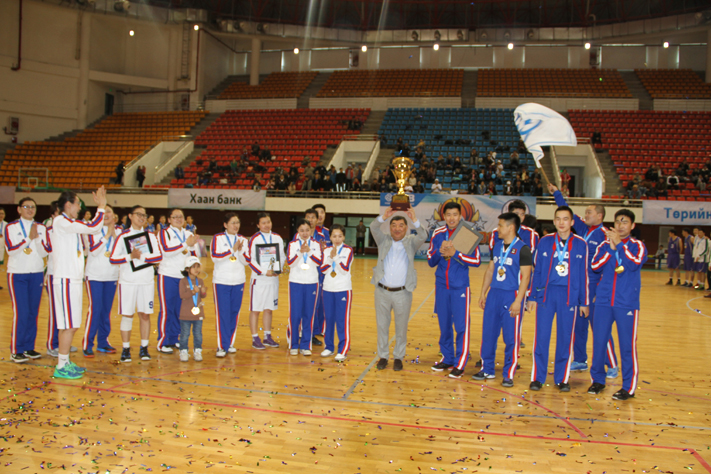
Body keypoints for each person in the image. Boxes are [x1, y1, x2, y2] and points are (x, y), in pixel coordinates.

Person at [549, 184, 618, 376]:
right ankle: (580, 360)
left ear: (600, 216)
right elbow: (567, 211)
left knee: (600, 327)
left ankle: (611, 364)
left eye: (589, 212)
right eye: (586, 212)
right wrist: (556, 193)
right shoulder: (582, 229)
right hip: (578, 286)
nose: (586, 215)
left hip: (595, 287)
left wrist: (601, 290)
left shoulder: (605, 235)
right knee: (578, 325)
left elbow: (608, 265)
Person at [528, 206, 589, 392]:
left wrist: (584, 302)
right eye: (558, 219)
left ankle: (562, 378)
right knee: (541, 337)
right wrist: (532, 296)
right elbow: (537, 271)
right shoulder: (545, 241)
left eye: (565, 219)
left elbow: (584, 275)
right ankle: (537, 377)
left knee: (565, 338)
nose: (562, 222)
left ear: (572, 222)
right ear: (554, 222)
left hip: (569, 296)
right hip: (547, 295)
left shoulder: (581, 244)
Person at [588, 209, 647, 400]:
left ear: (632, 226)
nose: (620, 226)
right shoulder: (604, 245)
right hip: (603, 302)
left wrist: (620, 245)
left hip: (626, 303)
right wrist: (611, 248)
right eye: (617, 222)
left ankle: (628, 387)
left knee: (627, 346)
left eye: (625, 222)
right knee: (599, 342)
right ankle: (598, 380)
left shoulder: (638, 246)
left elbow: (634, 264)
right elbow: (595, 266)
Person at [49, 187, 106, 379]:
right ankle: (61, 366)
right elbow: (93, 227)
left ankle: (65, 361)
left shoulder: (69, 223)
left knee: (72, 324)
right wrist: (101, 206)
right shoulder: (61, 221)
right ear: (68, 204)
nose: (80, 207)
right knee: (67, 325)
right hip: (65, 279)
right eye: (78, 203)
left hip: (73, 280)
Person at [475, 212, 532, 387]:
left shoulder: (523, 249)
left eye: (500, 225)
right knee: (488, 334)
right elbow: (490, 270)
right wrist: (483, 292)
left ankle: (509, 373)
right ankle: (487, 369)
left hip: (511, 295)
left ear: (511, 227)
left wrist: (519, 301)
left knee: (511, 337)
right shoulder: (497, 246)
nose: (497, 228)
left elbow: (526, 277)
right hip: (494, 294)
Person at [427, 202, 481, 378]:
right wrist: (440, 251)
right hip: (442, 286)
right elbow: (431, 261)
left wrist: (455, 253)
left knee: (461, 326)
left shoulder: (467, 234)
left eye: (455, 215)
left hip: (460, 287)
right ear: (444, 216)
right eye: (448, 215)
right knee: (444, 325)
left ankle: (460, 362)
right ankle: (448, 357)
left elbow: (477, 261)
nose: (451, 218)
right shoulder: (438, 233)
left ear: (460, 216)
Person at [370, 208, 428, 371]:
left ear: (406, 228)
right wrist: (384, 216)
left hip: (403, 293)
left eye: (401, 225)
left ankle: (398, 357)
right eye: (393, 225)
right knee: (382, 326)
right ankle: (383, 356)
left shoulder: (411, 242)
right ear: (389, 228)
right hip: (382, 292)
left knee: (401, 328)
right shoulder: (383, 240)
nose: (397, 228)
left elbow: (423, 235)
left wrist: (415, 219)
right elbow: (373, 227)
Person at [110, 206, 163, 363]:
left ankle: (144, 347)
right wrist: (130, 257)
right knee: (127, 315)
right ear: (130, 216)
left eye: (144, 215)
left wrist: (142, 257)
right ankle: (125, 348)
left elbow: (158, 257)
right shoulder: (123, 236)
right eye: (138, 214)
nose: (142, 217)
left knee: (145, 314)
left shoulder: (150, 236)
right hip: (128, 282)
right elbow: (113, 259)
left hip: (146, 282)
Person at [6, 197, 50, 363]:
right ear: (19, 209)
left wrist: (37, 238)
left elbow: (45, 252)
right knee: (21, 312)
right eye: (26, 207)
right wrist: (28, 238)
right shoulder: (11, 227)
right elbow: (11, 250)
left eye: (33, 207)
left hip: (36, 273)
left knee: (33, 312)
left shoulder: (41, 228)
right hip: (18, 274)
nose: (30, 210)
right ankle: (16, 349)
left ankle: (28, 347)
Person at [156, 209, 199, 353]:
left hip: (184, 278)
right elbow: (166, 251)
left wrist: (191, 246)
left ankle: (175, 339)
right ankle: (163, 341)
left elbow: (194, 255)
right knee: (167, 310)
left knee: (180, 310)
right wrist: (186, 244)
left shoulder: (188, 234)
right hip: (167, 276)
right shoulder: (164, 233)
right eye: (175, 217)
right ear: (169, 219)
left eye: (181, 217)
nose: (179, 219)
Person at [82, 204, 120, 356]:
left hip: (112, 276)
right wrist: (107, 235)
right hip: (95, 276)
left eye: (109, 212)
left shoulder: (119, 231)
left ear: (114, 215)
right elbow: (94, 250)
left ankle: (103, 342)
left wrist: (115, 236)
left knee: (106, 311)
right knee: (95, 309)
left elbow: (124, 251)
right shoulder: (93, 229)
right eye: (104, 212)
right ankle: (88, 343)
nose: (106, 215)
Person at [245, 212, 286, 350]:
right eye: (263, 223)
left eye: (268, 222)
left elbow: (282, 256)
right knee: (256, 309)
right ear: (258, 225)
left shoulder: (277, 237)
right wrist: (264, 271)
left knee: (269, 309)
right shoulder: (255, 239)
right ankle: (255, 337)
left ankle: (267, 336)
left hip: (273, 280)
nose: (267, 225)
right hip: (259, 280)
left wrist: (278, 269)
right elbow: (250, 260)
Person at [210, 213, 248, 357]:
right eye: (233, 222)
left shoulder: (243, 239)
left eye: (237, 222)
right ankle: (221, 346)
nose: (236, 225)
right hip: (222, 281)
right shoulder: (218, 238)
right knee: (223, 313)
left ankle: (230, 342)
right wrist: (232, 249)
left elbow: (246, 261)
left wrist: (240, 251)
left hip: (238, 281)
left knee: (234, 313)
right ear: (225, 225)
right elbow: (215, 257)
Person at [285, 219, 323, 355]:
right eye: (302, 230)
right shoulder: (292, 244)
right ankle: (294, 344)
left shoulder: (316, 244)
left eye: (307, 230)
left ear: (311, 230)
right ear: (298, 231)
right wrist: (300, 252)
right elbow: (290, 263)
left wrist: (310, 252)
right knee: (295, 315)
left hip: (312, 282)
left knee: (309, 314)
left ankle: (306, 345)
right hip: (296, 282)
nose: (305, 233)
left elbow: (319, 262)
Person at [320, 224, 353, 361]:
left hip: (343, 289)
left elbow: (344, 270)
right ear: (330, 237)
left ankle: (343, 349)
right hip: (328, 289)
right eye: (334, 236)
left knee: (341, 320)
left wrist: (336, 258)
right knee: (329, 319)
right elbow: (323, 270)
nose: (337, 239)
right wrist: (330, 258)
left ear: (344, 237)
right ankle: (328, 347)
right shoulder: (326, 250)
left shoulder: (348, 250)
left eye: (340, 236)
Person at [312, 204, 330, 344]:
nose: (320, 215)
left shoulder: (328, 232)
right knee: (313, 302)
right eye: (317, 213)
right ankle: (310, 331)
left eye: (322, 212)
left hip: (325, 272)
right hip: (312, 271)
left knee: (323, 302)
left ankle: (319, 329)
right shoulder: (309, 232)